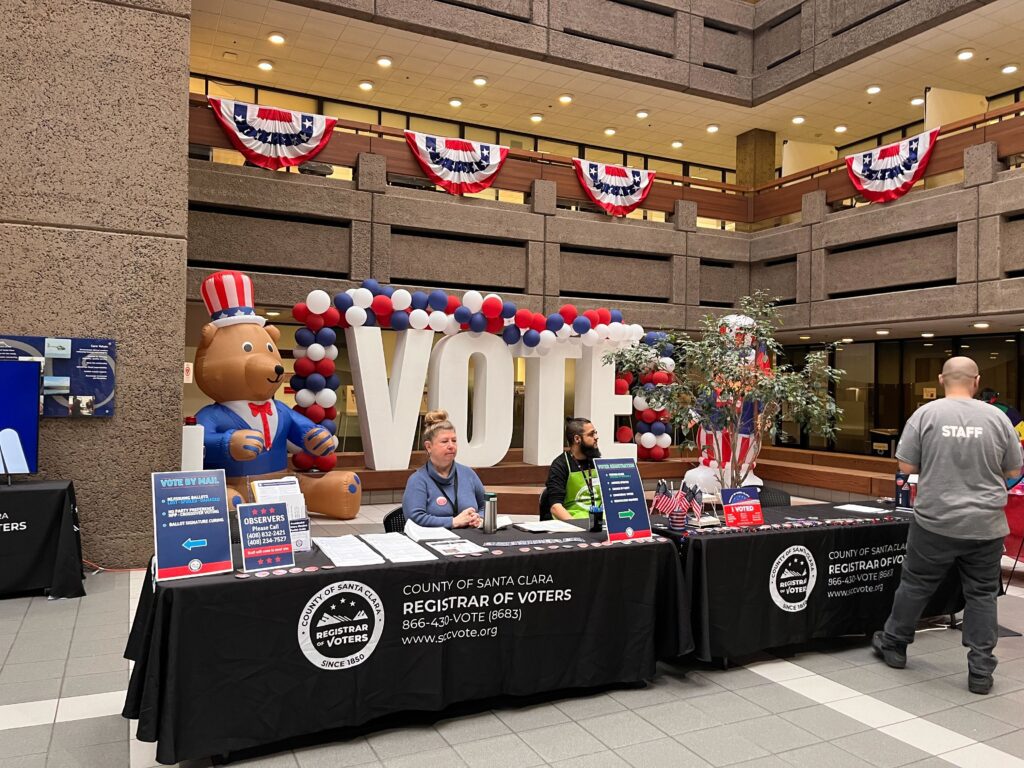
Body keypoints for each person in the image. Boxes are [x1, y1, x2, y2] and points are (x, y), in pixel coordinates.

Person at [873, 357, 1023, 695]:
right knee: (982, 594)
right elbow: (1014, 471)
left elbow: (907, 466)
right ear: (976, 381)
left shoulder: (925, 415)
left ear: (942, 380)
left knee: (915, 584)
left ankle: (895, 644)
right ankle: (981, 669)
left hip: (935, 522)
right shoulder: (997, 419)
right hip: (985, 524)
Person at [402, 410, 486, 528]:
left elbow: (485, 506)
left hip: (471, 539)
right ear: (429, 446)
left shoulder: (468, 474)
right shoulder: (418, 480)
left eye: (454, 441)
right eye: (444, 441)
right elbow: (415, 518)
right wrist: (453, 522)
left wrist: (479, 517)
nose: (451, 446)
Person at [539, 417, 603, 521]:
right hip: (572, 523)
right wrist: (577, 528)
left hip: (600, 522)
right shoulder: (560, 465)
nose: (596, 437)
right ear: (577, 439)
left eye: (595, 433)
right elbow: (555, 507)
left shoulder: (597, 462)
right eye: (591, 434)